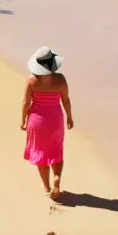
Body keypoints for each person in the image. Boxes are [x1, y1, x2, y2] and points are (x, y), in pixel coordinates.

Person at [20, 46, 73, 200]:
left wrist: (23, 120)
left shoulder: (31, 80)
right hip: (55, 120)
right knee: (56, 151)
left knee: (41, 153)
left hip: (37, 121)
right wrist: (69, 117)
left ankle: (46, 185)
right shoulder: (61, 79)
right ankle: (56, 177)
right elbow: (66, 100)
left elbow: (25, 102)